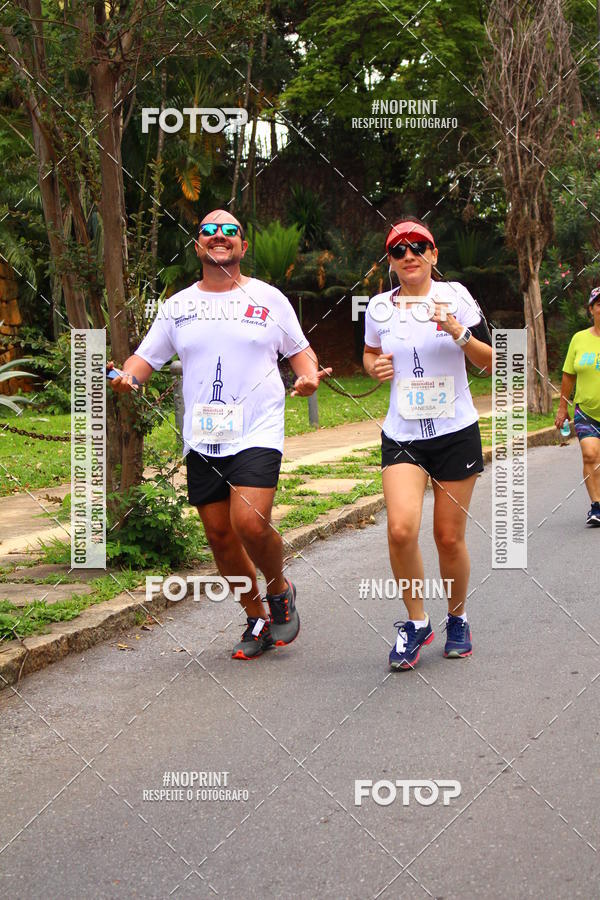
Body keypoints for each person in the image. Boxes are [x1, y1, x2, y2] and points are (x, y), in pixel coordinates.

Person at [109, 209, 331, 659]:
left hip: (257, 429)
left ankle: (279, 588)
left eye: (230, 231)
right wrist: (127, 377)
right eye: (208, 231)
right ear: (198, 246)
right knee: (219, 535)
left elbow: (302, 355)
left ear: (242, 246)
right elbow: (144, 360)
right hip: (203, 436)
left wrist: (307, 379)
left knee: (248, 521)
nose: (219, 236)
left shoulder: (269, 299)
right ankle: (257, 618)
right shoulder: (178, 306)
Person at [363, 216, 493, 670]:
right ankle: (416, 623)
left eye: (418, 246)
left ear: (433, 254)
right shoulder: (379, 306)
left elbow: (491, 362)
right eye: (398, 249)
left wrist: (456, 329)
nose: (409, 254)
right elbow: (371, 353)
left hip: (455, 431)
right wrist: (373, 367)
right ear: (391, 261)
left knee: (447, 536)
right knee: (400, 529)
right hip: (403, 434)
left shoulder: (455, 295)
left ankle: (457, 617)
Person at [555, 286, 600, 527]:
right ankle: (597, 506)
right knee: (591, 454)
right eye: (599, 304)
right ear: (591, 309)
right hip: (586, 411)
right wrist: (562, 408)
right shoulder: (579, 339)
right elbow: (568, 375)